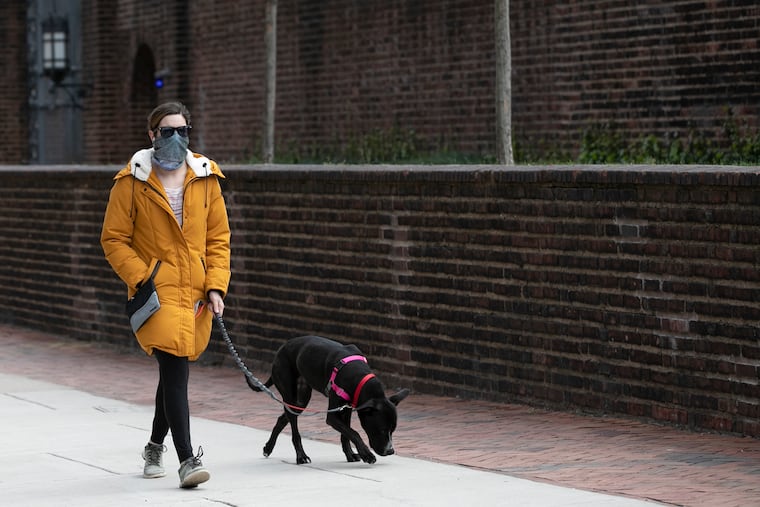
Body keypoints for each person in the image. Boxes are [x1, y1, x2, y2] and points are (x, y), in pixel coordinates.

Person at [100, 101, 231, 489]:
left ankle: (154, 446)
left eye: (183, 130)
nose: (177, 137)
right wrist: (143, 277)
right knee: (176, 370)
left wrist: (215, 285)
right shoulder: (132, 181)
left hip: (194, 294)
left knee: (172, 373)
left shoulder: (205, 177)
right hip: (155, 295)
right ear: (152, 135)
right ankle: (188, 460)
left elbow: (218, 238)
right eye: (168, 131)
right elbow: (113, 239)